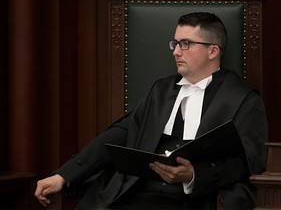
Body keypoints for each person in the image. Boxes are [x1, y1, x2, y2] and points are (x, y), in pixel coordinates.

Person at [35, 12, 268, 210]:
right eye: (174, 43)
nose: (176, 51)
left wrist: (195, 175)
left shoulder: (244, 99)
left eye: (185, 44)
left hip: (196, 199)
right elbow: (121, 132)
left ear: (213, 51)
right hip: (136, 191)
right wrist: (64, 176)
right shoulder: (161, 89)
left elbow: (251, 162)